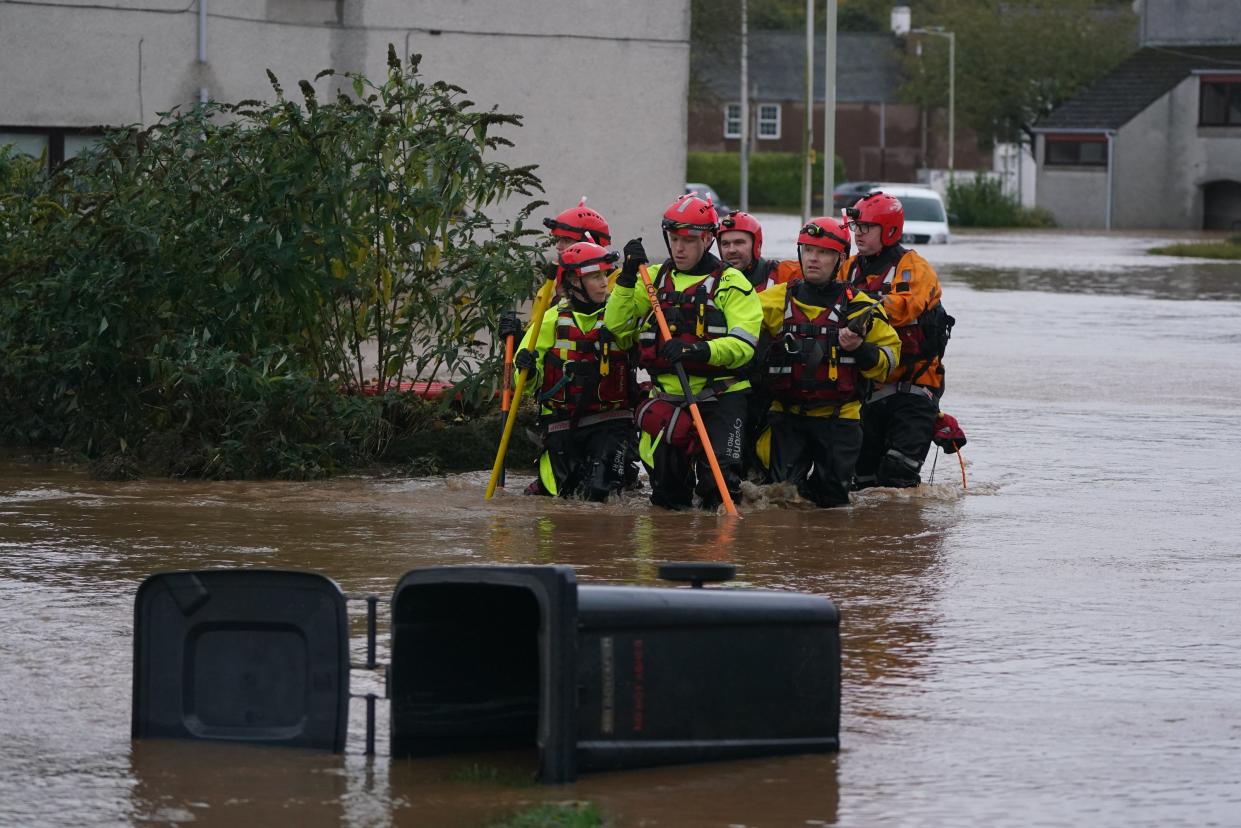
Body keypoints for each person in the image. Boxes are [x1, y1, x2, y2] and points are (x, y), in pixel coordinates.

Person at [603, 193, 763, 511]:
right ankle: (675, 551)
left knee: (717, 489)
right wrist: (626, 278)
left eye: (687, 240)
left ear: (706, 239)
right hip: (668, 400)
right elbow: (617, 328)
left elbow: (744, 347)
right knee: (667, 498)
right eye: (673, 239)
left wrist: (697, 350)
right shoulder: (652, 280)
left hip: (721, 398)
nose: (678, 248)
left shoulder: (733, 284)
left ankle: (718, 551)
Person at [755, 217, 901, 507]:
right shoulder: (771, 301)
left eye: (823, 252)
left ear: (840, 259)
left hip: (839, 419)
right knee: (781, 501)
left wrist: (860, 349)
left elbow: (890, 359)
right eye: (808, 250)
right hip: (786, 417)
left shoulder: (859, 306)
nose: (813, 259)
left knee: (832, 503)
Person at [841, 191, 951, 488]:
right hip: (868, 390)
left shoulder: (913, 266)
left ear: (888, 230)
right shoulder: (848, 268)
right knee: (861, 480)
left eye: (867, 227)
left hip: (913, 391)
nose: (859, 234)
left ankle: (905, 530)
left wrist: (855, 305)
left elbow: (904, 307)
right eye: (856, 227)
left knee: (897, 474)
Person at [514, 241, 637, 501]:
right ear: (573, 281)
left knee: (598, 494)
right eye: (595, 277)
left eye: (605, 274)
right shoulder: (549, 320)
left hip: (610, 422)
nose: (604, 283)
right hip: (561, 423)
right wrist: (526, 368)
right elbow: (521, 385)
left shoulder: (619, 316)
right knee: (555, 497)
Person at [715, 210, 801, 478]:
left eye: (739, 243)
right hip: (733, 387)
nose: (731, 250)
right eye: (725, 244)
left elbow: (825, 280)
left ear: (757, 244)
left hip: (777, 389)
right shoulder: (713, 281)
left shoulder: (785, 274)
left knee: (776, 475)